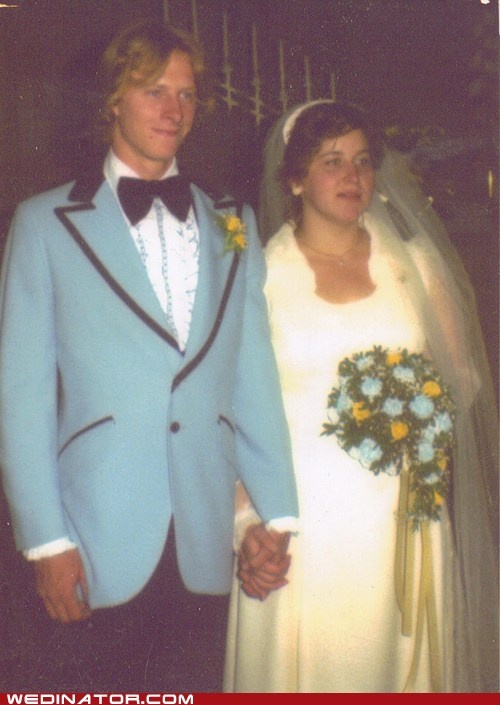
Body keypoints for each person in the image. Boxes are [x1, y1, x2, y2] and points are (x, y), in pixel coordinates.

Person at [0, 20, 298, 693]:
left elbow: (253, 379)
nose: (174, 110)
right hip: (94, 534)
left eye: (188, 95)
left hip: (205, 533)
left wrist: (275, 516)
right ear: (112, 100)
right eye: (154, 91)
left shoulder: (234, 220)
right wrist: (46, 540)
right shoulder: (44, 223)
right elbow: (19, 401)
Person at [223, 101, 499, 693]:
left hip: (403, 518)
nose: (352, 177)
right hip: (301, 526)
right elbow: (228, 417)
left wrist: (415, 412)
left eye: (363, 161)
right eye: (332, 161)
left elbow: (461, 383)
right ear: (295, 178)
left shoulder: (416, 269)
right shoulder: (260, 277)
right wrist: (246, 523)